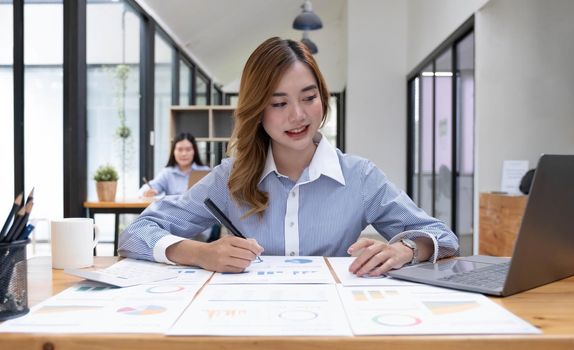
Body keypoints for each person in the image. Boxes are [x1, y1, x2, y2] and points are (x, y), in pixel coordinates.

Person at [119, 37, 459, 276]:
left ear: (323, 99)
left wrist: (406, 250)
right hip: (251, 325)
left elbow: (442, 237)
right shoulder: (231, 177)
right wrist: (200, 253)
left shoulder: (360, 177)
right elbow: (135, 233)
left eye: (309, 98)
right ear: (257, 111)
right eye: (279, 103)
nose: (298, 116)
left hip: (333, 326)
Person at [139, 132, 210, 197]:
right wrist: (147, 192)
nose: (184, 154)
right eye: (180, 149)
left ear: (194, 151)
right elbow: (147, 188)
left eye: (188, 149)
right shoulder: (167, 173)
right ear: (173, 151)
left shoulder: (205, 172)